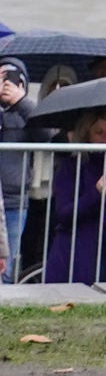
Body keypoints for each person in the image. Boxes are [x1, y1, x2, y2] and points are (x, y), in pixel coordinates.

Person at [35, 107, 106, 284]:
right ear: (86, 133)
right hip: (81, 250)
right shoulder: (71, 166)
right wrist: (96, 193)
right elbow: (64, 214)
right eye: (99, 132)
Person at [0, 58, 29, 281]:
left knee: (7, 264)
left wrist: (22, 102)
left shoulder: (25, 114)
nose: (5, 85)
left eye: (11, 79)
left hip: (13, 201)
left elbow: (47, 135)